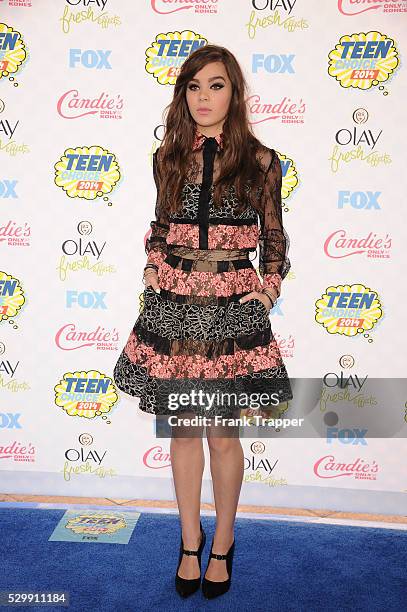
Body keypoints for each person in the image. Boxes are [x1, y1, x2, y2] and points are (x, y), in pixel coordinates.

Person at [113, 44, 292, 599]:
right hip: (176, 300)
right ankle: (190, 541)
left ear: (234, 93)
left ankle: (225, 542)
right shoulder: (167, 156)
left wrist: (269, 287)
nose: (203, 97)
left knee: (222, 433)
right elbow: (162, 222)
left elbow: (274, 234)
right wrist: (152, 263)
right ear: (182, 94)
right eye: (193, 86)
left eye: (215, 85)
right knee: (184, 429)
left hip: (232, 305)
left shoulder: (262, 162)